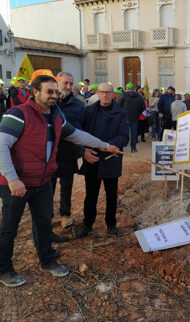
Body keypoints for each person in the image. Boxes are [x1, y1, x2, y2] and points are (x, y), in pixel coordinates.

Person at [0, 74, 120, 287]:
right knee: (10, 227)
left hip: (42, 180)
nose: (54, 95)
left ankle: (47, 261)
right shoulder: (18, 114)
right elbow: (1, 146)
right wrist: (12, 178)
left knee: (43, 223)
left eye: (56, 91)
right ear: (35, 92)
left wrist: (104, 145)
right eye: (49, 91)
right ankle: (4, 269)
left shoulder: (56, 116)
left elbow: (76, 135)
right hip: (16, 182)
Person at [76, 83, 129, 238]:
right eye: (102, 92)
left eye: (108, 92)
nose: (105, 95)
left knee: (111, 195)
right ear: (96, 93)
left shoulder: (121, 113)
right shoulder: (88, 111)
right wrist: (84, 150)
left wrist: (112, 145)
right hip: (92, 158)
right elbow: (80, 133)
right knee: (91, 195)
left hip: (111, 158)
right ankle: (87, 224)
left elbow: (124, 136)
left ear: (114, 94)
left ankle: (111, 224)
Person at [51, 72, 85, 230]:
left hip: (67, 153)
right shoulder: (48, 102)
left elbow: (80, 130)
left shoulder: (78, 105)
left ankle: (65, 215)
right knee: (47, 188)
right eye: (65, 83)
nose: (69, 87)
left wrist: (81, 150)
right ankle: (46, 217)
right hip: (48, 154)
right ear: (57, 82)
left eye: (71, 84)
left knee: (66, 186)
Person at [118, 83, 145, 152]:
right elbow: (143, 107)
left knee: (124, 132)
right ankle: (133, 148)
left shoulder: (124, 95)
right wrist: (138, 113)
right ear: (133, 88)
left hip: (125, 117)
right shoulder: (139, 96)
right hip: (135, 117)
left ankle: (122, 146)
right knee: (134, 132)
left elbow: (118, 106)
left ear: (127, 88)